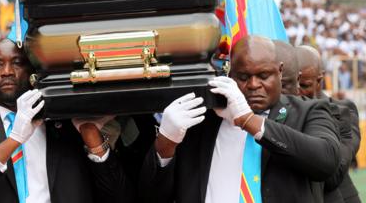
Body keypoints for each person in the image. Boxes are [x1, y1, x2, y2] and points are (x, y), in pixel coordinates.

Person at [140, 35, 340, 203]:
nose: (253, 85)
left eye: (263, 75)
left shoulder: (308, 110)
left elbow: (326, 163)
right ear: (230, 74)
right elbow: (153, 195)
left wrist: (248, 120)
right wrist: (165, 144)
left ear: (279, 72)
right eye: (243, 77)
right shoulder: (203, 120)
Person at [0, 39, 130, 203]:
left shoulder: (67, 128)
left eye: (17, 63)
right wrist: (14, 140)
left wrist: (91, 137)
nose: (7, 71)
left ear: (32, 74)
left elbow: (118, 195)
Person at [297, 45, 361, 203]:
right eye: (291, 83)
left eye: (304, 85)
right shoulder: (284, 110)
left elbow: (333, 175)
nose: (296, 92)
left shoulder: (343, 110)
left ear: (319, 80)